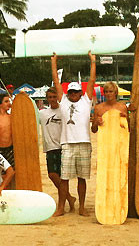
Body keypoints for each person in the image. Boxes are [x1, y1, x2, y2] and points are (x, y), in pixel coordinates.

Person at [50, 51, 97, 216]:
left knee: (82, 178)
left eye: (76, 92)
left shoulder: (86, 101)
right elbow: (56, 81)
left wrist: (92, 61)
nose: (73, 95)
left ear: (80, 92)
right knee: (64, 178)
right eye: (70, 92)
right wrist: (54, 62)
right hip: (67, 144)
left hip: (84, 143)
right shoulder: (63, 102)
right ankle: (61, 207)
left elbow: (91, 80)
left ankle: (82, 207)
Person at [39, 87, 75, 216]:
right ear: (47, 99)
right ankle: (69, 198)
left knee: (63, 178)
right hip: (50, 148)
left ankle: (61, 207)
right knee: (52, 175)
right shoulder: (42, 114)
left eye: (54, 97)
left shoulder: (64, 111)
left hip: (63, 147)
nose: (52, 99)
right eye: (50, 97)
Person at [0, 93, 15, 188]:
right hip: (0, 150)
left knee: (12, 174)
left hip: (11, 149)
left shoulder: (12, 117)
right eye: (6, 101)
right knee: (2, 176)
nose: (9, 103)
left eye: (9, 101)